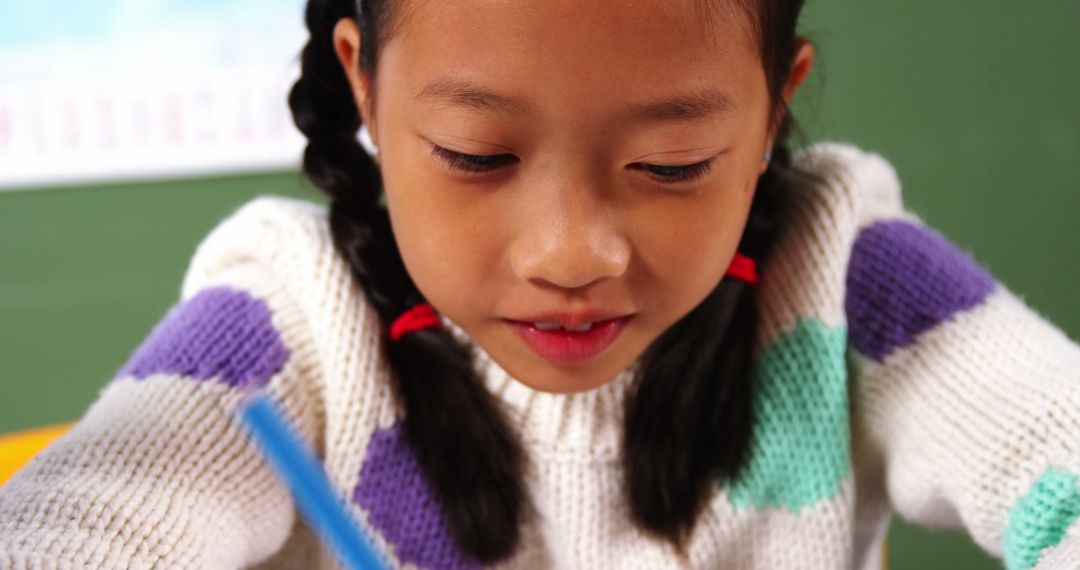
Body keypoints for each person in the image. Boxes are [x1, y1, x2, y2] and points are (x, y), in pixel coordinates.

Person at [1, 0, 1078, 568]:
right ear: (365, 91)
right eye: (476, 154)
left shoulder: (841, 273)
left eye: (671, 164)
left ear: (770, 108)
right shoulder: (286, 322)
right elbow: (81, 522)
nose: (571, 255)